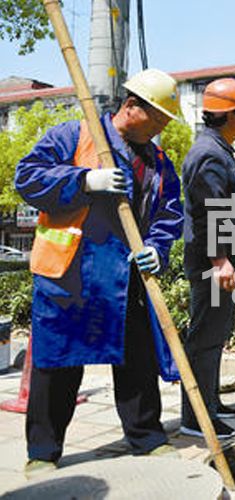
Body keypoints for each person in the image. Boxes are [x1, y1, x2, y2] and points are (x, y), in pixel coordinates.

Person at [14, 68, 185, 477]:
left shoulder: (159, 163)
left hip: (126, 281)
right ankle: (43, 451)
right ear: (131, 107)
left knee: (138, 363)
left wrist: (157, 250)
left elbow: (169, 216)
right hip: (70, 275)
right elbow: (28, 177)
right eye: (157, 119)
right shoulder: (73, 136)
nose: (161, 129)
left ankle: (146, 437)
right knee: (56, 366)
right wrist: (85, 179)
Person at [180, 78, 235, 439]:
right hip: (215, 265)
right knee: (205, 338)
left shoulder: (218, 150)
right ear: (233, 114)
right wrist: (219, 260)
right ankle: (196, 418)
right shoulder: (209, 154)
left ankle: (208, 401)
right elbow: (210, 212)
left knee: (215, 334)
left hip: (223, 261)